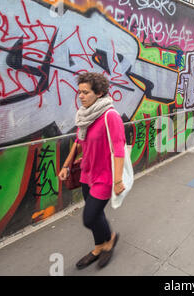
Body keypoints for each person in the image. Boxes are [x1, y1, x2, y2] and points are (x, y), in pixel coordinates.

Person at [58, 72, 125, 270]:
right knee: (96, 215)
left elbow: (119, 148)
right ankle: (99, 247)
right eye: (80, 92)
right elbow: (79, 141)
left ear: (100, 93)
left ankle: (110, 240)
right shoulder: (85, 114)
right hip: (87, 174)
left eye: (86, 92)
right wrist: (66, 165)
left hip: (105, 177)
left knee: (89, 217)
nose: (81, 96)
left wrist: (118, 180)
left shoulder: (110, 116)